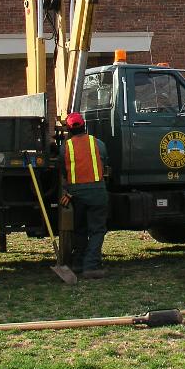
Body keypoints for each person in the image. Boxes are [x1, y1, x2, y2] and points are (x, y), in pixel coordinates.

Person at [60, 112, 110, 279]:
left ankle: (78, 264)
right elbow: (104, 161)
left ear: (69, 130)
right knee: (96, 230)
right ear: (84, 126)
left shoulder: (65, 147)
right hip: (97, 193)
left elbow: (62, 170)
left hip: (76, 195)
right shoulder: (98, 144)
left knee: (80, 230)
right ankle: (92, 266)